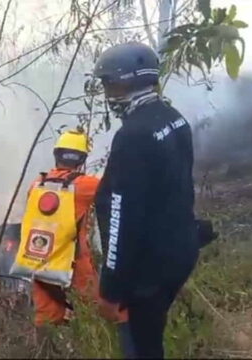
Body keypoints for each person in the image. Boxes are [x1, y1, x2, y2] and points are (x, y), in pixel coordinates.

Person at [92, 42, 199, 358]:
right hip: (177, 255)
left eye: (110, 83)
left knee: (140, 347)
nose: (108, 93)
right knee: (152, 338)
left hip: (146, 273)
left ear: (129, 80)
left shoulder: (133, 136)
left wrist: (111, 290)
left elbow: (122, 218)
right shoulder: (173, 118)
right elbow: (179, 189)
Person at [26, 130, 134, 356]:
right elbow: (117, 192)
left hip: (40, 264)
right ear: (82, 160)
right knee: (102, 313)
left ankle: (46, 354)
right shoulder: (85, 185)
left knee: (46, 321)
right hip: (74, 266)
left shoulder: (36, 184)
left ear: (56, 155)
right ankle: (102, 350)